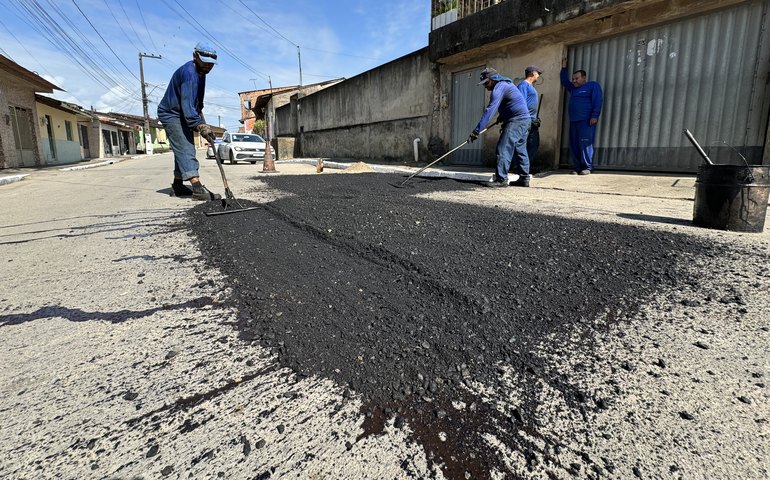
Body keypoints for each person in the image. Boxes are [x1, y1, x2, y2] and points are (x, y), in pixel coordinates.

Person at [157, 41, 221, 200]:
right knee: (186, 147)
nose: (208, 67)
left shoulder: (202, 73)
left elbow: (196, 100)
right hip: (171, 113)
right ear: (195, 57)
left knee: (182, 149)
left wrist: (200, 113)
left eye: (211, 65)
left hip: (184, 112)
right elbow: (187, 104)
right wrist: (199, 124)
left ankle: (178, 186)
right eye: (205, 63)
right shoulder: (189, 73)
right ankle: (197, 187)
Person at [469, 67, 532, 188]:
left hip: (517, 120)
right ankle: (524, 178)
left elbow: (490, 110)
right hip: (524, 120)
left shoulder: (499, 88)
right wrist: (501, 117)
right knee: (520, 148)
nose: (485, 86)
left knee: (503, 148)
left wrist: (476, 131)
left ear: (493, 79)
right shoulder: (506, 85)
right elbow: (510, 104)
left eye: (486, 83)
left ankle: (501, 179)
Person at [560, 58, 603, 175]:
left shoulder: (592, 86)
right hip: (574, 121)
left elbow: (597, 100)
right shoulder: (573, 89)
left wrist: (594, 115)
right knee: (574, 144)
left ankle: (587, 167)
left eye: (576, 78)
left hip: (586, 121)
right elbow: (565, 81)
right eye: (573, 79)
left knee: (585, 143)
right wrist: (564, 68)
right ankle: (577, 167)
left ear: (584, 78)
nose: (574, 81)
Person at [518, 65, 542, 166]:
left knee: (533, 144)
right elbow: (521, 103)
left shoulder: (530, 86)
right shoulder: (523, 85)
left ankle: (526, 167)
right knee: (525, 144)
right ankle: (520, 167)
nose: (538, 76)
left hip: (532, 120)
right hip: (527, 121)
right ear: (532, 73)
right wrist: (529, 118)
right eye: (538, 73)